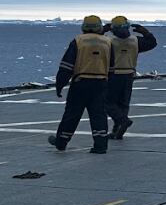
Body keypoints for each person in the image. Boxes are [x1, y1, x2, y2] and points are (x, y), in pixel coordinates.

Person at [48, 15, 115, 154]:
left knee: (72, 114)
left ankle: (61, 141)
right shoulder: (108, 42)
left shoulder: (78, 41)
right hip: (100, 83)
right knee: (99, 115)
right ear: (99, 27)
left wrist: (59, 86)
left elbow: (66, 66)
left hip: (80, 83)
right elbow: (112, 67)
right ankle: (101, 145)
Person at [104, 17, 157, 139]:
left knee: (106, 102)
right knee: (123, 104)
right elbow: (152, 43)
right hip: (129, 75)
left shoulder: (108, 41)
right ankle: (118, 131)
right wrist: (145, 32)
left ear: (113, 29)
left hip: (113, 75)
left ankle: (122, 121)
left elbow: (95, 43)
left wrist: (102, 30)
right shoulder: (135, 41)